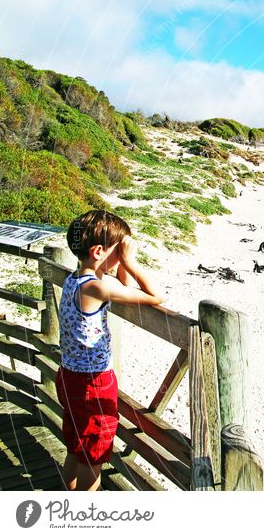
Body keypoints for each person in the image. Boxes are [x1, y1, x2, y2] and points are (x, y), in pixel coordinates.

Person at [57, 210, 165, 491]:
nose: (122, 255)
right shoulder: (95, 288)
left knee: (76, 446)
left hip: (68, 375)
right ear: (98, 251)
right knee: (92, 455)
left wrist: (119, 262)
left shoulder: (74, 280)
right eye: (119, 250)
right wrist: (131, 262)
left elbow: (122, 286)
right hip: (93, 384)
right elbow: (156, 296)